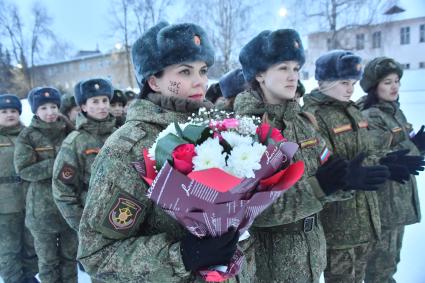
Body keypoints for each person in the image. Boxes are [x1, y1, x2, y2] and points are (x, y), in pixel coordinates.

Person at [77, 22, 245, 282]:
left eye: (202, 70)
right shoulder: (130, 147)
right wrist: (183, 255)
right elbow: (97, 254)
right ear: (154, 81)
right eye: (185, 71)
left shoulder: (218, 131)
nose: (199, 81)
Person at [233, 29, 387, 282]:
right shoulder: (245, 130)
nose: (293, 76)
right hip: (269, 264)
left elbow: (326, 173)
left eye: (296, 68)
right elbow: (250, 211)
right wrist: (318, 188)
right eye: (283, 68)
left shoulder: (303, 123)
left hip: (312, 253)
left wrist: (345, 181)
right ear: (259, 74)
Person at [302, 50, 424, 283]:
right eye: (344, 82)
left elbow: (369, 150)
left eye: (353, 83)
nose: (350, 89)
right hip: (338, 226)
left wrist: (388, 160)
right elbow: (322, 165)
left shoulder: (352, 111)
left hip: (366, 220)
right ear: (322, 82)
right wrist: (347, 175)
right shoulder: (314, 116)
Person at [359, 57, 423, 283]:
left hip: (398, 204)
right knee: (379, 269)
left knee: (390, 264)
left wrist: (417, 145)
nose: (394, 86)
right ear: (374, 86)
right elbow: (380, 155)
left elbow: (403, 155)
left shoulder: (394, 111)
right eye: (387, 82)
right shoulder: (370, 116)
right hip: (383, 206)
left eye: (397, 81)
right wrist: (415, 146)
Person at [14, 87, 78, 283]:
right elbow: (24, 169)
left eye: (53, 107)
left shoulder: (70, 132)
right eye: (44, 108)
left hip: (69, 207)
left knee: (70, 259)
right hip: (41, 212)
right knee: (48, 261)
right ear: (35, 111)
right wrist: (58, 163)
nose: (50, 112)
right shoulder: (28, 136)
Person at [53, 78, 116, 232]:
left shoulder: (121, 134)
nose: (102, 106)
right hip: (93, 218)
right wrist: (82, 226)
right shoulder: (75, 142)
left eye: (104, 100)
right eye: (95, 101)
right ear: (83, 107)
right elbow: (63, 189)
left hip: (124, 214)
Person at [0, 94, 39, 283]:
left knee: (30, 243)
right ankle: (14, 279)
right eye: (4, 111)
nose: (9, 114)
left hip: (30, 199)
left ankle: (30, 276)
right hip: (4, 205)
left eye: (13, 111)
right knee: (9, 247)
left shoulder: (29, 135)